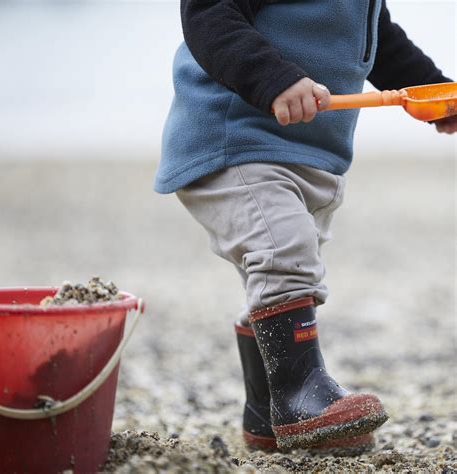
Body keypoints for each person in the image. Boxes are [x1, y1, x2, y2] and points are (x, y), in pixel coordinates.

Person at [154, 0, 457, 452]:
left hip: (305, 156)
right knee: (285, 254)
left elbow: (380, 40)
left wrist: (434, 90)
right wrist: (274, 78)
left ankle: (267, 415)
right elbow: (208, 13)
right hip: (236, 140)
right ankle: (300, 397)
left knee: (280, 269)